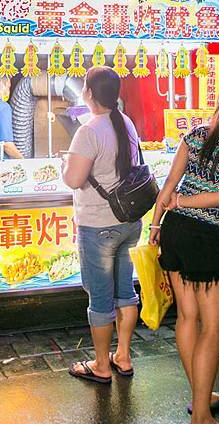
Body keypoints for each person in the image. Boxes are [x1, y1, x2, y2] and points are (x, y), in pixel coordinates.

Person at [149, 79, 219, 424]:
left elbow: (169, 183)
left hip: (174, 231)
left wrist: (156, 225)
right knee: (214, 329)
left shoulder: (196, 134)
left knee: (187, 317)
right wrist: (181, 202)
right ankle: (201, 413)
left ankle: (203, 396)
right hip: (206, 236)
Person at [61, 66, 141, 384]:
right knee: (126, 293)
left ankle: (101, 365)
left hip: (99, 227)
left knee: (100, 299)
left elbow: (74, 179)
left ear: (90, 93)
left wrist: (65, 162)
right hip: (129, 223)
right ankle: (122, 355)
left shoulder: (89, 130)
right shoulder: (126, 123)